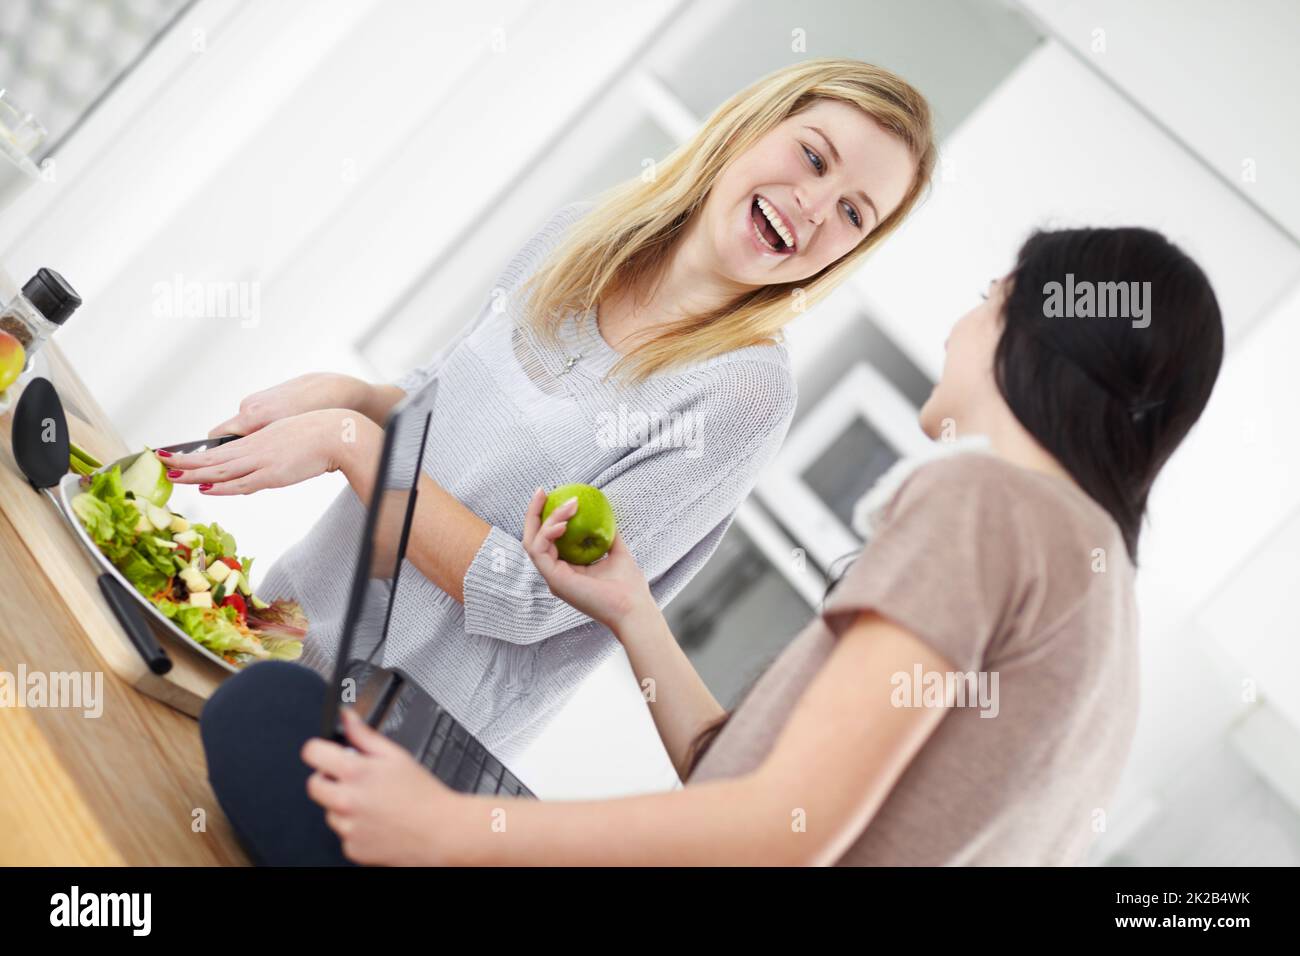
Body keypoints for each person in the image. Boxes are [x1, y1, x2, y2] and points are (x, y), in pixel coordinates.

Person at [297, 226, 1225, 865]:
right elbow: (742, 781)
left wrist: (456, 830)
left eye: (986, 300)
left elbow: (782, 833)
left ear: (1034, 338)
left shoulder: (988, 505)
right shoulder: (1099, 602)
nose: (957, 327)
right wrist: (630, 611)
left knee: (262, 729)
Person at [171, 58, 936, 760]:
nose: (813, 205)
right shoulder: (576, 235)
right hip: (270, 629)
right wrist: (351, 398)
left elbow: (528, 597)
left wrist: (349, 442)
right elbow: (435, 410)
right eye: (813, 156)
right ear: (752, 124)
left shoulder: (744, 394)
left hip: (381, 748)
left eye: (853, 213)